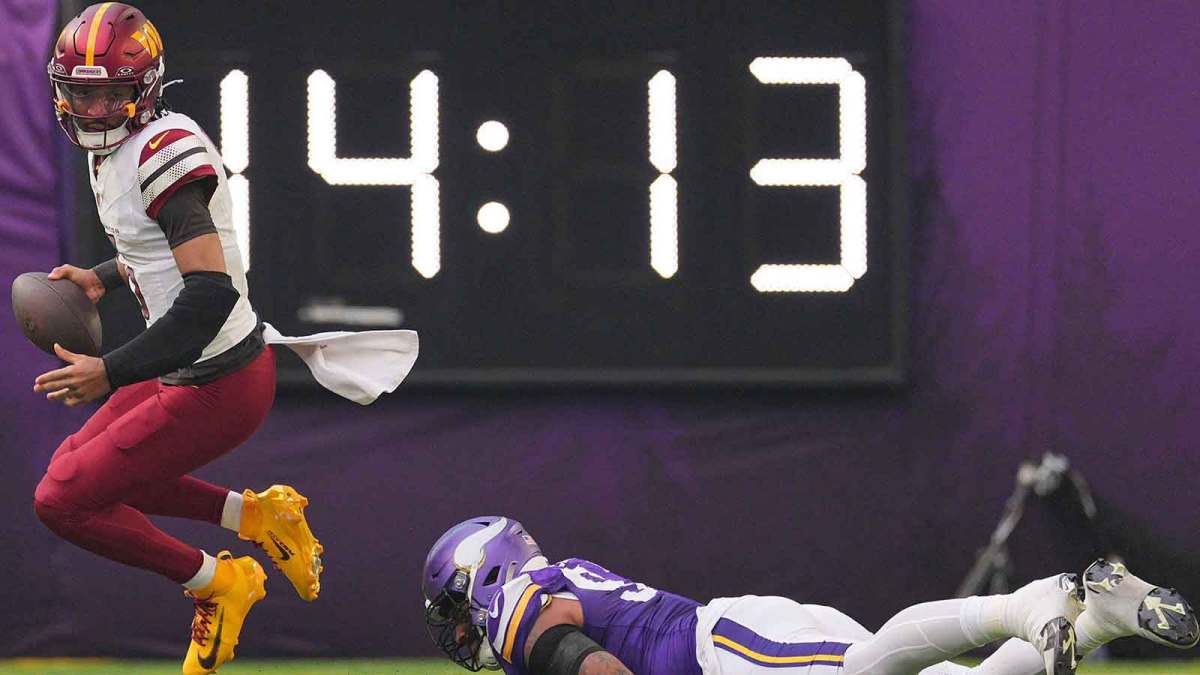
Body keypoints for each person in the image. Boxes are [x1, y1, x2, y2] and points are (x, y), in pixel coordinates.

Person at [33, 4, 326, 674]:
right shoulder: (123, 148)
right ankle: (258, 517)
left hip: (219, 381)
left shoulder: (162, 153)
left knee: (63, 500)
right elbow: (157, 246)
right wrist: (105, 276)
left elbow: (210, 293)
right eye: (82, 93)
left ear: (145, 88)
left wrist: (110, 369)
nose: (95, 110)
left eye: (111, 94)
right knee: (76, 474)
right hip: (187, 369)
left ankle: (218, 582)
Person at [422, 516, 1199, 675]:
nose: (460, 631)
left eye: (457, 607)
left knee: (863, 672)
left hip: (725, 650)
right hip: (740, 639)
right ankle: (1094, 614)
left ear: (484, 574)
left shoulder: (523, 607)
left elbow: (588, 662)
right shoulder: (557, 577)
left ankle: (1029, 604)